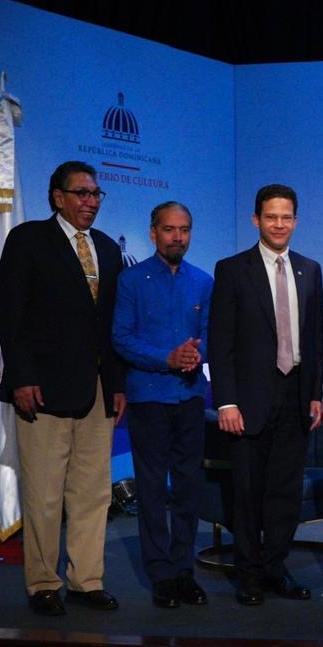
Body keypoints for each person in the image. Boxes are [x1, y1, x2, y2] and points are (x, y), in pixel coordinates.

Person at [0, 160, 126, 616]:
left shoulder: (107, 248)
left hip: (98, 389)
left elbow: (110, 326)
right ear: (58, 197)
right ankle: (43, 584)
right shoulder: (29, 239)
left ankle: (87, 581)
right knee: (45, 494)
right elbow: (11, 314)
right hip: (43, 389)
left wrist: (117, 384)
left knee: (94, 493)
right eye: (82, 193)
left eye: (96, 194)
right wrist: (21, 377)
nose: (91, 202)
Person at [209, 184, 323, 607]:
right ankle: (248, 574)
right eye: (271, 217)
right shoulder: (232, 269)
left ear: (296, 221)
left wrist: (315, 394)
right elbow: (220, 341)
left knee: (285, 493)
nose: (279, 224)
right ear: (256, 220)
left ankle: (276, 568)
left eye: (286, 217)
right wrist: (226, 401)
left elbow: (315, 338)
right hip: (248, 401)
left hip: (296, 396)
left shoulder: (310, 269)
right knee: (246, 493)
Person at [111, 201, 212, 609]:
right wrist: (166, 358)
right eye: (169, 230)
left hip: (190, 396)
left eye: (184, 230)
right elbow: (122, 337)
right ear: (153, 233)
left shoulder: (203, 281)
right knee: (152, 489)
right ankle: (161, 574)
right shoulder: (131, 280)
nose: (177, 237)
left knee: (188, 488)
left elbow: (210, 334)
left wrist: (195, 354)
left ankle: (184, 570)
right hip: (149, 397)